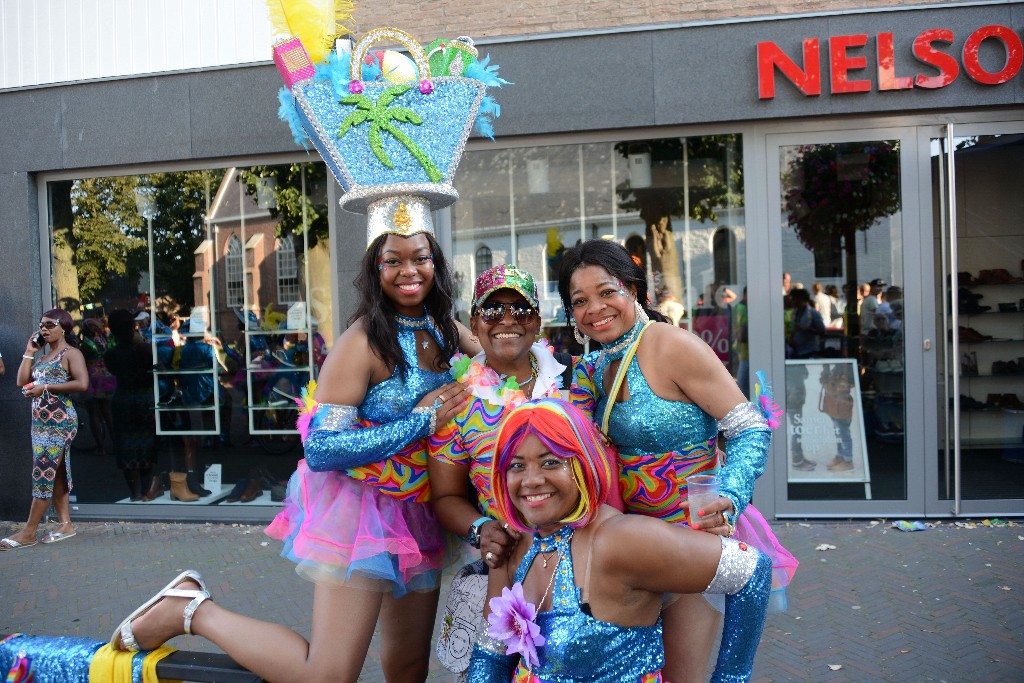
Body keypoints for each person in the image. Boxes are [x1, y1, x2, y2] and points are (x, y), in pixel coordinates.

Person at [108, 230, 475, 682]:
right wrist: (421, 422)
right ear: (374, 270)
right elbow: (320, 448)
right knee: (327, 674)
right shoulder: (361, 342)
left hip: (420, 511)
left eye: (419, 258)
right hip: (363, 511)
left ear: (435, 263)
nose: (408, 271)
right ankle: (192, 610)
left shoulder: (450, 332)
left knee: (409, 666)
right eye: (392, 261)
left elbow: (502, 369)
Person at [558, 239, 778, 683]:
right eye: (579, 300)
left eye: (607, 292)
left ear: (634, 290)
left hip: (687, 538)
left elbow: (749, 425)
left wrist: (729, 494)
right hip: (629, 553)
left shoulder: (667, 345)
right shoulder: (596, 367)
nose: (595, 308)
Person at [467, 399, 772, 683]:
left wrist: (731, 678)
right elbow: (490, 655)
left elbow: (751, 570)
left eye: (550, 462)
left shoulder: (619, 540)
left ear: (583, 465)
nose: (531, 480)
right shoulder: (512, 542)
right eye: (517, 466)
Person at [430, 265, 567, 574]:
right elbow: (446, 496)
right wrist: (482, 528)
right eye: (492, 310)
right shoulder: (457, 401)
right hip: (506, 566)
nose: (507, 320)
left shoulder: (574, 382)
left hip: (583, 555)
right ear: (474, 323)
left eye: (521, 309)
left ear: (537, 322)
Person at [2, 309, 88, 550]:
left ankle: (29, 532)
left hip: (59, 424)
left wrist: (45, 387)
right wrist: (29, 352)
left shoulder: (71, 354)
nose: (44, 329)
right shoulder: (42, 357)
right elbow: (21, 381)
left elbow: (82, 383)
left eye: (50, 324)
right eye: (42, 325)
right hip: (40, 424)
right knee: (57, 471)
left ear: (64, 328)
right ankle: (66, 525)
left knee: (43, 473)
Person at [103, 309, 158, 501]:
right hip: (144, 399)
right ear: (133, 327)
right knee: (146, 446)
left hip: (123, 400)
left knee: (126, 449)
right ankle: (147, 490)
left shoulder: (111, 355)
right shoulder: (144, 349)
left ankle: (135, 493)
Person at [79, 318, 116, 456]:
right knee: (107, 411)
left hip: (92, 378)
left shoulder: (87, 344)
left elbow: (80, 361)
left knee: (93, 412)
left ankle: (101, 447)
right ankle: (115, 443)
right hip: (106, 378)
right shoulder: (104, 341)